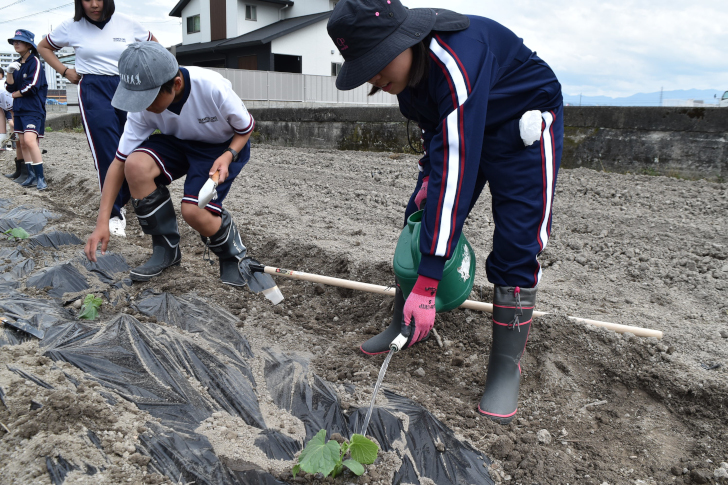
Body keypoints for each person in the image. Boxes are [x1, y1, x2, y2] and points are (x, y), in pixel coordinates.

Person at [328, 0, 564, 424]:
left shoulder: (454, 60)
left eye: (377, 63)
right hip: (464, 128)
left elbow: (459, 163)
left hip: (521, 129)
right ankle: (405, 322)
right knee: (419, 217)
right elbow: (440, 148)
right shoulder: (410, 82)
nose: (374, 77)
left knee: (516, 245)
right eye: (363, 68)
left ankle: (505, 369)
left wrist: (430, 280)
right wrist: (425, 190)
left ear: (401, 40)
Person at [84, 41, 256, 287]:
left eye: (149, 99)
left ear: (176, 84)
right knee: (135, 165)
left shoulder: (211, 87)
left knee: (194, 210)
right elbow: (118, 164)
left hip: (220, 146)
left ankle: (233, 255)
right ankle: (166, 250)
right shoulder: (142, 108)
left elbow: (245, 128)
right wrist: (103, 221)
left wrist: (228, 155)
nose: (142, 107)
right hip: (177, 141)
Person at [38, 0, 157, 236]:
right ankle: (114, 211)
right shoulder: (72, 26)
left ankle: (146, 206)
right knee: (108, 151)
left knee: (139, 147)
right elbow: (43, 47)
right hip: (93, 87)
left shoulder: (127, 23)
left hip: (128, 86)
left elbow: (156, 48)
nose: (94, 4)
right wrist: (64, 70)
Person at [5, 29, 48, 190]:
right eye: (14, 41)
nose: (16, 43)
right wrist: (9, 72)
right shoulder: (17, 63)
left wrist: (18, 93)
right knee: (22, 143)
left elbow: (33, 85)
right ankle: (30, 175)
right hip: (20, 109)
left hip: (33, 109)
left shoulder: (35, 62)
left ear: (29, 44)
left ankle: (41, 178)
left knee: (30, 141)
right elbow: (10, 88)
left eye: (19, 41)